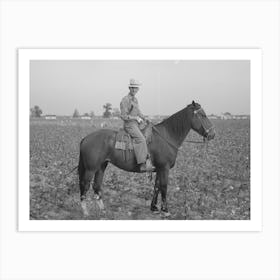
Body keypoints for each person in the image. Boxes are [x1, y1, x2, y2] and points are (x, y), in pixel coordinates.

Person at [120, 79, 155, 172]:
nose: (135, 90)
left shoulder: (135, 99)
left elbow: (138, 112)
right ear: (129, 88)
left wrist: (145, 118)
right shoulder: (125, 100)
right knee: (141, 139)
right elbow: (123, 116)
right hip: (129, 125)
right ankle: (142, 164)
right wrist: (135, 118)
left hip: (136, 124)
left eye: (136, 88)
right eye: (133, 88)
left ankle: (148, 157)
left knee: (148, 135)